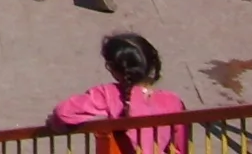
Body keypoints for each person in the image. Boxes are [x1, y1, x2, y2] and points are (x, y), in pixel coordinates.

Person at [50, 34, 188, 154]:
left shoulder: (108, 94)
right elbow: (179, 148)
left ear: (114, 69)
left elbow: (64, 113)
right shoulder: (173, 101)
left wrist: (58, 126)